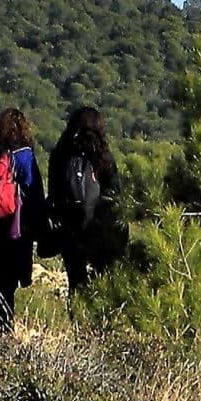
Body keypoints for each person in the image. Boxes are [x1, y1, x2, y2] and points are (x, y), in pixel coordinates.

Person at [0, 109, 46, 332]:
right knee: (7, 285)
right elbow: (34, 196)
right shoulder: (24, 156)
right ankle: (0, 331)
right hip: (13, 228)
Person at [44, 105, 118, 301]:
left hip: (69, 230)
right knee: (103, 280)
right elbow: (115, 193)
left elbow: (53, 193)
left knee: (76, 281)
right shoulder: (103, 157)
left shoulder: (60, 154)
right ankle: (102, 324)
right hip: (98, 228)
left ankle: (79, 323)